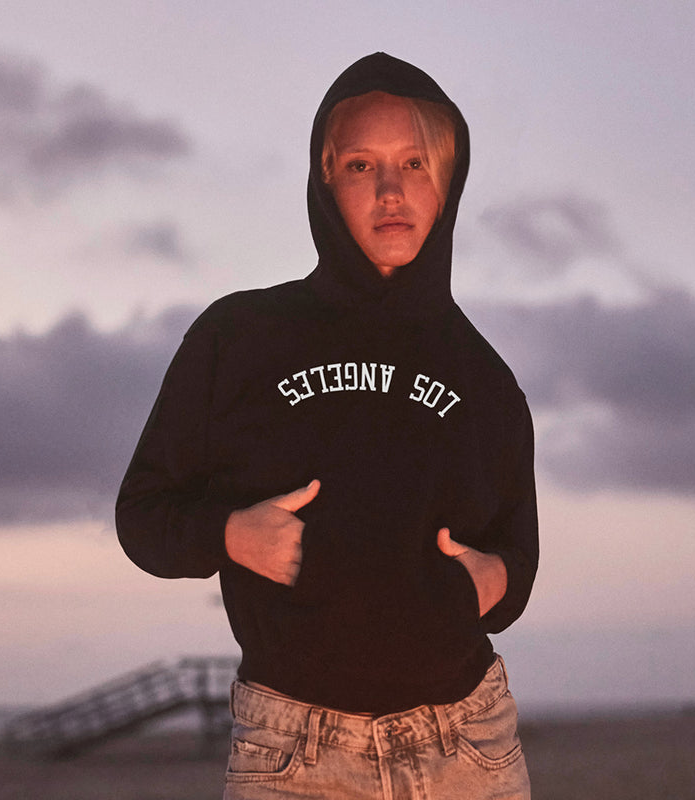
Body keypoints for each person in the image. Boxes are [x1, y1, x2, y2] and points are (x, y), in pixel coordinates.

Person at [116, 52, 538, 800]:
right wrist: (230, 534)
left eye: (414, 163)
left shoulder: (486, 378)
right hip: (294, 751)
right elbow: (143, 515)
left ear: (449, 181)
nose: (389, 190)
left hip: (467, 744)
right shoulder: (239, 338)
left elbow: (518, 553)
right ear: (323, 180)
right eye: (359, 165)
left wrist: (494, 580)